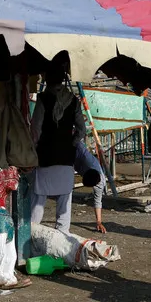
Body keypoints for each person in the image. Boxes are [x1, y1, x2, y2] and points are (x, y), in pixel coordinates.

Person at [29, 56, 86, 232]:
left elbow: (35, 130)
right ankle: (62, 243)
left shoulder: (43, 99)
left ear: (47, 79)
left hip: (45, 157)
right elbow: (82, 130)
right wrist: (71, 144)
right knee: (64, 205)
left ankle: (31, 240)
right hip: (66, 159)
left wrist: (33, 150)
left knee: (38, 203)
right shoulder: (74, 101)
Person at [75, 141, 108, 234]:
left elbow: (97, 201)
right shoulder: (85, 157)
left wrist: (99, 222)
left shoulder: (99, 184)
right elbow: (76, 142)